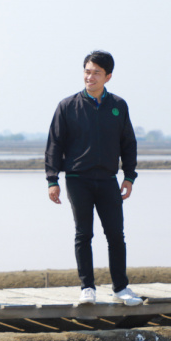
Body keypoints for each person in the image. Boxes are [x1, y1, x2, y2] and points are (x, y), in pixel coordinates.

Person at [44, 50, 142, 306]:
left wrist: (129, 176)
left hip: (109, 180)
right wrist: (52, 180)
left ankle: (121, 288)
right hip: (77, 179)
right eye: (87, 71)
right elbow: (54, 144)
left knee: (115, 235)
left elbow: (128, 143)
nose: (90, 77)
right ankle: (87, 287)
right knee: (83, 234)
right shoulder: (67, 106)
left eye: (96, 72)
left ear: (108, 76)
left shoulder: (118, 106)